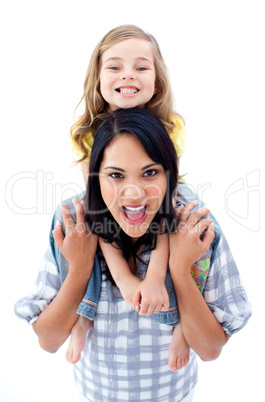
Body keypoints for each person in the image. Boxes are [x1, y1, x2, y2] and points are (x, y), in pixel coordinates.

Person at [15, 108, 251, 402]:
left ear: (171, 175)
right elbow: (48, 342)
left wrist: (178, 269)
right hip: (95, 394)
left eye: (150, 172)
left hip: (173, 395)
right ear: (94, 177)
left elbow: (210, 349)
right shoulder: (74, 223)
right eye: (115, 175)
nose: (134, 194)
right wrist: (79, 269)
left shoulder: (194, 225)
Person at [67, 24, 190, 371]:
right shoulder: (87, 135)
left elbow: (165, 206)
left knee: (184, 234)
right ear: (99, 76)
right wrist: (124, 277)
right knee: (83, 234)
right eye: (115, 66)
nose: (128, 75)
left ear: (157, 79)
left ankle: (180, 322)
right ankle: (85, 314)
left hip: (157, 212)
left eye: (141, 66)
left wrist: (152, 276)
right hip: (108, 218)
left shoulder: (170, 128)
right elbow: (99, 212)